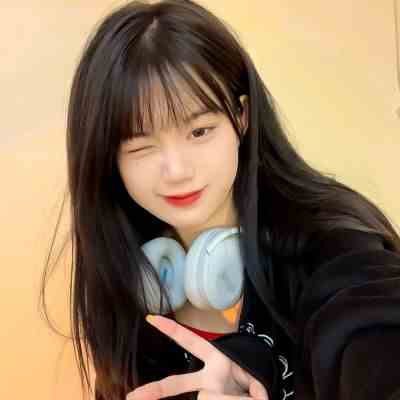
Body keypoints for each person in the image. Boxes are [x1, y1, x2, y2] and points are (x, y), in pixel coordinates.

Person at [39, 1, 400, 399]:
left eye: (199, 131)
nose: (177, 170)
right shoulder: (130, 284)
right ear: (108, 158)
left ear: (241, 117)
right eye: (141, 147)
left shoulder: (333, 247)